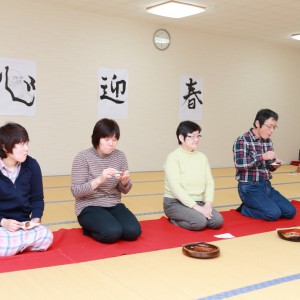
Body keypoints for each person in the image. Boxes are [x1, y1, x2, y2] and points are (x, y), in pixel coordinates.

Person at [71, 118, 141, 244]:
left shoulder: (120, 156)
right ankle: (89, 229)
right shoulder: (82, 157)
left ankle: (107, 224)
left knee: (133, 232)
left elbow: (124, 190)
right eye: (107, 139)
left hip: (113, 203)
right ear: (97, 138)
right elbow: (76, 191)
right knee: (112, 233)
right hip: (89, 205)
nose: (111, 144)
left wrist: (125, 182)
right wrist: (99, 180)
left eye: (114, 140)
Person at [0, 123, 53, 256]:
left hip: (22, 226)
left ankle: (12, 247)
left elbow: (37, 198)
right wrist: (4, 222)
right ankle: (19, 245)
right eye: (22, 145)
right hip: (2, 225)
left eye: (27, 144)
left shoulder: (32, 165)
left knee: (47, 236)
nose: (27, 149)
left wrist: (35, 219)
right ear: (5, 147)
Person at [233, 108, 296, 221]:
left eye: (274, 127)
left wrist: (274, 165)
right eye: (269, 126)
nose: (271, 130)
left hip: (266, 186)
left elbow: (268, 168)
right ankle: (245, 209)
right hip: (249, 188)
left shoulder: (268, 141)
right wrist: (262, 156)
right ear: (258, 123)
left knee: (290, 212)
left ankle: (262, 205)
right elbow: (239, 164)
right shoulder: (242, 140)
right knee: (273, 214)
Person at [163, 121, 224, 231]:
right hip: (174, 202)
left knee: (217, 221)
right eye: (192, 136)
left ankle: (192, 214)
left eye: (198, 136)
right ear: (181, 138)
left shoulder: (202, 157)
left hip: (198, 201)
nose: (196, 140)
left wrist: (208, 204)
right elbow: (176, 188)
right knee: (200, 222)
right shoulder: (173, 158)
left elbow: (209, 182)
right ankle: (174, 220)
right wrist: (197, 208)